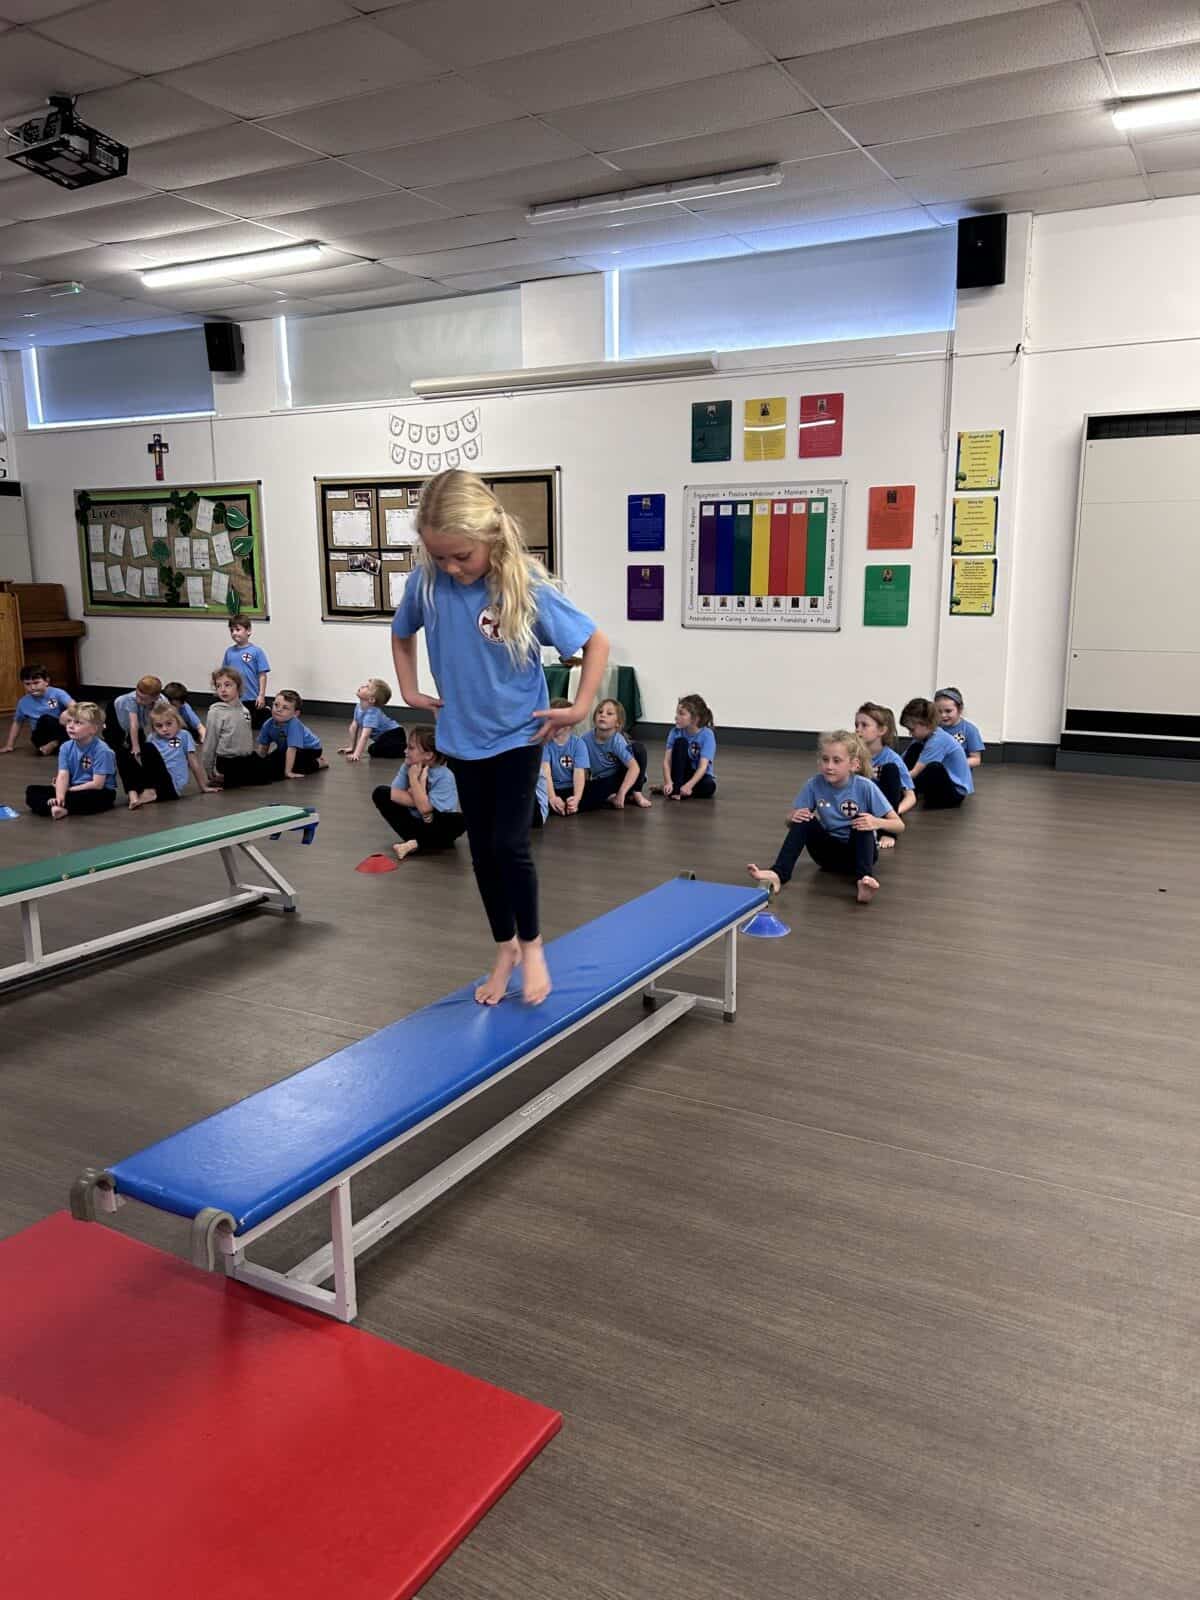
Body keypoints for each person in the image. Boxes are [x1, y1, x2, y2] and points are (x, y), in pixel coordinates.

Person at [391, 468, 607, 1007]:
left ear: (489, 535)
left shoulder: (522, 584)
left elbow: (595, 642)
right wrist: (409, 689)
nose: (451, 567)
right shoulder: (427, 583)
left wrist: (579, 707)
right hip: (462, 739)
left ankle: (532, 946)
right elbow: (401, 633)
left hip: (518, 735)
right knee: (483, 852)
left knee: (510, 844)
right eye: (439, 556)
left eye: (461, 556)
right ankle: (505, 947)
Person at [747, 730, 903, 905]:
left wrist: (875, 822)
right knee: (805, 818)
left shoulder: (865, 787)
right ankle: (778, 873)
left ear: (854, 764)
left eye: (837, 761)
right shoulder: (814, 785)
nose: (829, 766)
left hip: (858, 855)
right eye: (825, 759)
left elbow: (899, 825)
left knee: (862, 822)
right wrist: (793, 816)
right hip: (827, 857)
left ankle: (864, 880)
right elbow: (789, 822)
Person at [371, 724, 466, 862]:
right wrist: (421, 797)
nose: (405, 751)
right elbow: (394, 795)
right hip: (414, 824)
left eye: (411, 748)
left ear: (428, 755)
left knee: (459, 820)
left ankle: (415, 843)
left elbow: (426, 810)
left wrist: (414, 781)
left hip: (437, 826)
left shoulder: (445, 776)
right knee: (380, 792)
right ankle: (421, 842)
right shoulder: (407, 766)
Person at [26, 702, 117, 818]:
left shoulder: (103, 751)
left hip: (97, 790)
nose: (70, 726)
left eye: (78, 722)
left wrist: (69, 790)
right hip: (73, 786)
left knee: (95, 798)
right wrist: (60, 796)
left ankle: (60, 808)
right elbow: (63, 775)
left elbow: (97, 784)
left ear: (93, 729)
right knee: (32, 791)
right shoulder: (65, 747)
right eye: (69, 721)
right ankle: (59, 806)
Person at [127, 702, 217, 810]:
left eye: (169, 724)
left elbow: (193, 763)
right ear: (153, 727)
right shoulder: (152, 737)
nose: (164, 729)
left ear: (177, 722)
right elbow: (148, 765)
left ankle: (149, 792)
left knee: (147, 747)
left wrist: (203, 787)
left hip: (170, 788)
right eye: (159, 726)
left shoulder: (184, 735)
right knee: (125, 754)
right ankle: (134, 795)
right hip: (152, 782)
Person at [854, 702, 915, 845]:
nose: (857, 730)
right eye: (856, 725)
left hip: (884, 808)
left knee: (890, 770)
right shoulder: (852, 754)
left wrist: (892, 812)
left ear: (881, 730)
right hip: (859, 805)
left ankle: (888, 832)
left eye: (864, 725)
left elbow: (910, 797)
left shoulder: (892, 759)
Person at [901, 697, 974, 808]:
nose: (910, 734)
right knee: (915, 748)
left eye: (912, 729)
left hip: (955, 793)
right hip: (942, 785)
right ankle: (909, 792)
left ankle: (908, 793)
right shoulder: (923, 737)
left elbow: (915, 772)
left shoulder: (938, 740)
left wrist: (896, 782)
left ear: (926, 724)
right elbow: (902, 760)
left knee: (934, 768)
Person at [580, 697, 650, 810]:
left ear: (618, 723)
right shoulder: (585, 739)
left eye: (609, 713)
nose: (603, 715)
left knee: (638, 749)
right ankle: (612, 797)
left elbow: (634, 768)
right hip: (602, 780)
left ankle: (636, 792)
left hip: (621, 778)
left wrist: (621, 793)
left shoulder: (617, 740)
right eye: (600, 712)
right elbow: (583, 768)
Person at [201, 666, 258, 788]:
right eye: (218, 686)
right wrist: (209, 769)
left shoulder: (245, 711)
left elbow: (246, 739)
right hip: (227, 760)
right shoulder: (215, 712)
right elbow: (210, 741)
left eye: (227, 685)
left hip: (245, 759)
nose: (223, 690)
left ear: (238, 686)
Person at [256, 690, 328, 780]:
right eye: (276, 705)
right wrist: (259, 762)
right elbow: (263, 746)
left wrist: (288, 772)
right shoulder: (268, 724)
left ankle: (320, 763)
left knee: (296, 767)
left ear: (295, 714)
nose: (279, 709)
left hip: (309, 749)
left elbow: (292, 749)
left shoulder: (294, 725)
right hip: (286, 748)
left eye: (285, 708)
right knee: (271, 760)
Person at [2, 663, 71, 755]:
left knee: (49, 719)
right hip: (41, 737)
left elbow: (75, 707)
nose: (32, 687)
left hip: (60, 729)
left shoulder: (57, 693)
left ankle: (55, 743)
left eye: (36, 683)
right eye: (27, 684)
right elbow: (17, 723)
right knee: (42, 723)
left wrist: (67, 712)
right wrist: (9, 745)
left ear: (46, 681)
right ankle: (58, 744)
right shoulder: (23, 702)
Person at [338, 678, 408, 762]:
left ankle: (402, 751)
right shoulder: (358, 707)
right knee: (373, 749)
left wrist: (356, 754)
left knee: (373, 750)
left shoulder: (372, 714)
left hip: (394, 735)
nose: (362, 686)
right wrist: (352, 747)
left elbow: (365, 736)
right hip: (385, 737)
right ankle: (399, 748)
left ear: (371, 699)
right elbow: (353, 727)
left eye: (367, 687)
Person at [661, 694, 716, 799]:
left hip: (698, 775)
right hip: (680, 774)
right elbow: (667, 761)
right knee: (681, 742)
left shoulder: (707, 735)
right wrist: (668, 782)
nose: (676, 717)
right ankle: (675, 789)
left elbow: (703, 767)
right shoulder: (675, 732)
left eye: (681, 714)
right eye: (677, 713)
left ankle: (678, 790)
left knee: (709, 786)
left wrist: (689, 785)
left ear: (695, 718)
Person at [221, 615, 270, 728]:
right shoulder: (229, 652)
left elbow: (262, 675)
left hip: (251, 696)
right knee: (236, 724)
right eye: (232, 630)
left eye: (238, 629)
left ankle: (266, 711)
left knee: (255, 724)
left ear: (248, 631)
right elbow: (225, 674)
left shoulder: (256, 651)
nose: (234, 633)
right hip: (235, 696)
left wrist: (261, 695)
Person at [105, 674, 166, 765]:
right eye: (137, 695)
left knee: (140, 738)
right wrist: (135, 747)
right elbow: (133, 724)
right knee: (115, 736)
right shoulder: (131, 699)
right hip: (116, 709)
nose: (138, 700)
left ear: (155, 698)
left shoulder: (162, 701)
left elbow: (163, 720)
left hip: (140, 715)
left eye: (143, 699)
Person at [543, 699, 590, 815]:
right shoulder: (545, 743)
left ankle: (571, 805)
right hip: (551, 788)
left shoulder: (578, 744)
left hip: (571, 788)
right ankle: (555, 805)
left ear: (568, 724)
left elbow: (579, 773)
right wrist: (552, 797)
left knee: (598, 787)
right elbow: (545, 771)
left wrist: (576, 798)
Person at [934, 686, 985, 768]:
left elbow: (976, 759)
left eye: (948, 711)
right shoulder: (933, 728)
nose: (943, 715)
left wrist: (953, 763)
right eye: (939, 711)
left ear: (960, 709)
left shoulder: (969, 730)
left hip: (957, 773)